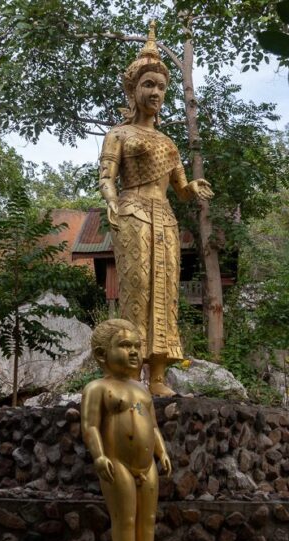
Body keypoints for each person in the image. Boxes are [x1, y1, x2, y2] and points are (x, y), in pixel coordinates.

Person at [99, 21, 213, 396]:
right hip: (132, 212)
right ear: (133, 89)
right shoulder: (119, 134)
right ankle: (129, 377)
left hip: (164, 217)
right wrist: (112, 203)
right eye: (148, 84)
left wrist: (192, 186)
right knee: (137, 290)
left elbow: (179, 188)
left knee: (165, 293)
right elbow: (106, 177)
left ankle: (159, 377)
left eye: (162, 86)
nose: (156, 92)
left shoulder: (168, 143)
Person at [81, 318, 172, 541]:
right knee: (126, 515)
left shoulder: (142, 389)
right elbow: (90, 426)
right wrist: (98, 455)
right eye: (124, 345)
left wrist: (162, 452)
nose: (133, 351)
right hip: (116, 461)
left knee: (148, 516)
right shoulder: (98, 388)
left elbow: (153, 426)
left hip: (147, 463)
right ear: (101, 354)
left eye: (136, 346)